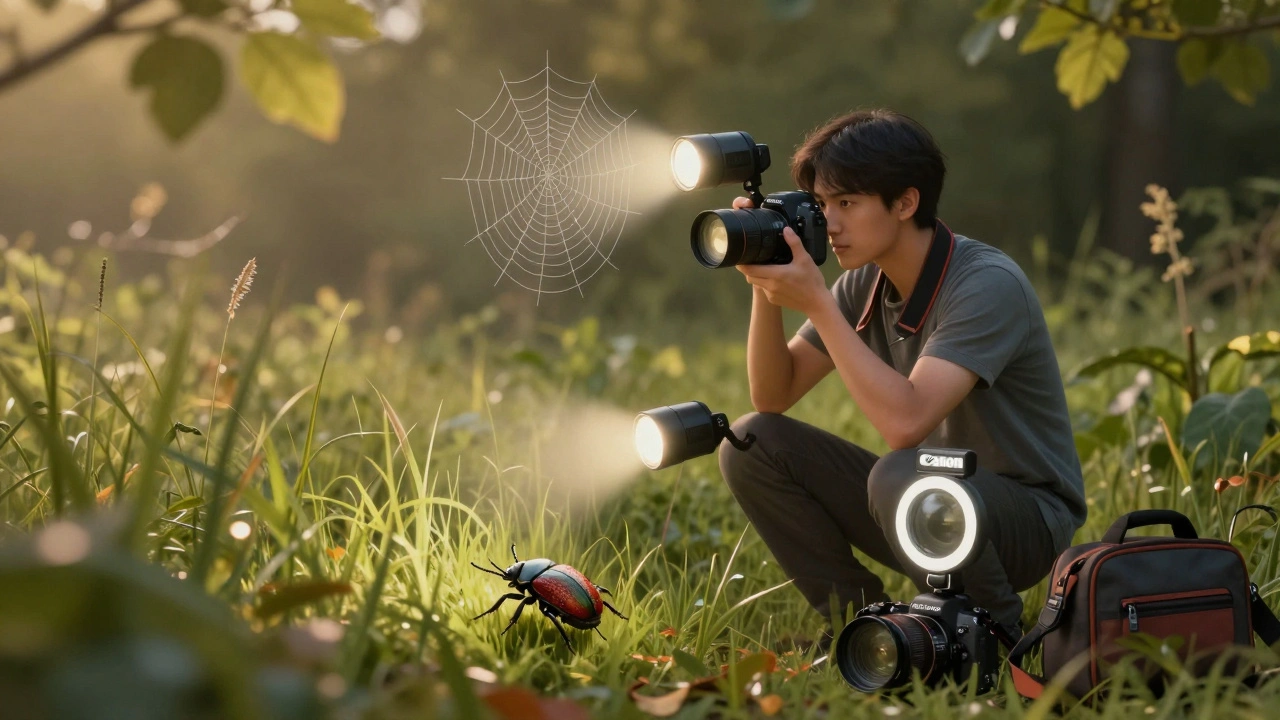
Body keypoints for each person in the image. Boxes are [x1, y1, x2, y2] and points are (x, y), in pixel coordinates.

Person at [717, 108, 1087, 645]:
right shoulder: (862, 282)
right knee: (750, 441)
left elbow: (905, 423)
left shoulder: (986, 283)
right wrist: (763, 275)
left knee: (900, 471)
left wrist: (818, 304)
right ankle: (865, 626)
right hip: (928, 497)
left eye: (847, 203)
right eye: (822, 205)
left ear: (906, 202)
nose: (830, 223)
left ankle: (994, 635)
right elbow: (773, 394)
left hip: (1023, 518)